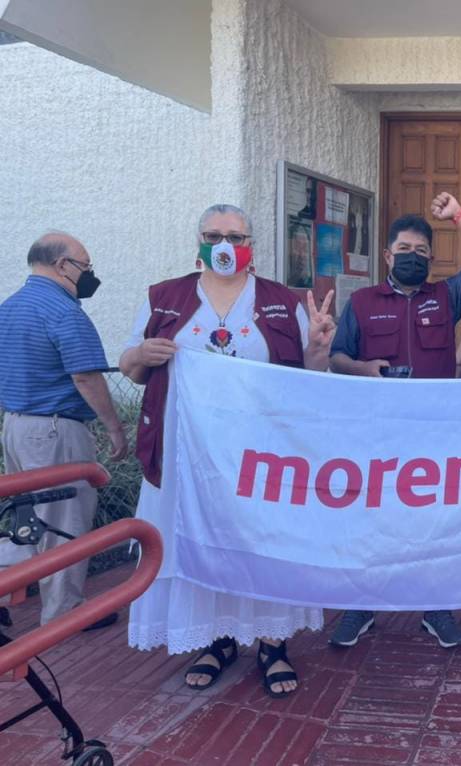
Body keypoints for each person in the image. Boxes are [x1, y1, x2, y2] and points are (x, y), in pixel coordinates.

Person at [120, 204, 337, 698]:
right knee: (197, 538)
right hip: (186, 456)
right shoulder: (165, 297)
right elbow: (131, 368)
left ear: (250, 244)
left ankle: (272, 643)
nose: (224, 245)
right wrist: (141, 354)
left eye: (235, 236)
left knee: (263, 541)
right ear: (199, 240)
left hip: (259, 458)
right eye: (213, 235)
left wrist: (319, 346)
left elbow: (308, 378)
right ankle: (215, 639)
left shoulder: (280, 301)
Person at [328, 191, 461, 649]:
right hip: (377, 433)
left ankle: (435, 606)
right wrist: (362, 368)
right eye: (403, 249)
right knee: (371, 519)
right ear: (387, 255)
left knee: (432, 522)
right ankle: (361, 604)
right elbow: (337, 357)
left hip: (433, 434)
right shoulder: (362, 302)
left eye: (421, 251)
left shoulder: (445, 297)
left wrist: (457, 215)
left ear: (431, 259)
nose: (412, 257)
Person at [0, 232, 129, 628]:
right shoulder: (63, 311)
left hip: (15, 425)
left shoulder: (9, 308)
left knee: (24, 520)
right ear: (62, 265)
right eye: (86, 266)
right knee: (62, 522)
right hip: (56, 430)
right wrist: (114, 428)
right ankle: (64, 613)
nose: (90, 275)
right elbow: (86, 377)